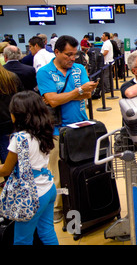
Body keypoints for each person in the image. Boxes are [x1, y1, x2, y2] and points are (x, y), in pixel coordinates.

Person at [36, 35, 99, 223]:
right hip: (57, 130)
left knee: (85, 166)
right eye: (68, 55)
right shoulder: (45, 73)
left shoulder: (79, 69)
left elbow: (87, 94)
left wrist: (64, 96)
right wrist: (77, 92)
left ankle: (82, 202)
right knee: (57, 171)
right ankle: (58, 207)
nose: (72, 58)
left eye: (75, 54)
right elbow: (53, 100)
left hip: (81, 124)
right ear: (56, 52)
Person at [0, 90, 58, 245]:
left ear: (18, 114)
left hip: (30, 196)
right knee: (47, 232)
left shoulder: (18, 139)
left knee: (22, 239)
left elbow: (6, 169)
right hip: (47, 187)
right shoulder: (43, 132)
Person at [0, 63, 23, 168]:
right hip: (14, 122)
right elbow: (22, 98)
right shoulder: (11, 77)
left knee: (7, 164)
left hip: (3, 124)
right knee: (13, 161)